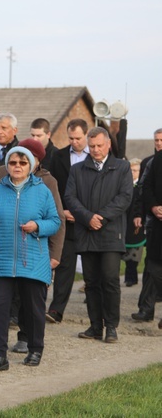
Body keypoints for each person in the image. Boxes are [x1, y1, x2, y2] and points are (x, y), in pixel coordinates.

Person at [0, 146, 61, 372]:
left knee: (33, 308)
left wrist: (38, 226)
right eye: (13, 162)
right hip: (1, 260)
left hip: (33, 260)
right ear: (7, 164)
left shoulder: (43, 191)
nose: (17, 167)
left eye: (22, 163)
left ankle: (35, 349)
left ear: (31, 166)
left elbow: (55, 221)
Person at [65, 126, 133, 343]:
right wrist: (87, 217)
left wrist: (100, 218)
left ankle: (111, 326)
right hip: (86, 234)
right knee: (91, 282)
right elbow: (70, 197)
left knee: (110, 280)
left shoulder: (121, 167)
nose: (95, 150)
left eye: (99, 146)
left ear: (108, 145)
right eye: (92, 146)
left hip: (111, 234)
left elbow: (124, 198)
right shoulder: (77, 170)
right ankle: (95, 326)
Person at [46, 119, 90, 324]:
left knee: (93, 269)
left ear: (86, 135)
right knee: (64, 266)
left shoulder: (97, 155)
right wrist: (61, 211)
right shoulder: (58, 156)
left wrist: (87, 214)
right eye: (71, 138)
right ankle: (56, 309)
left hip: (91, 222)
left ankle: (96, 311)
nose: (74, 142)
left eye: (78, 138)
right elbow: (53, 187)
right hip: (67, 221)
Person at [142, 148, 162, 329]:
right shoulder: (158, 159)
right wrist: (154, 207)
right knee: (154, 267)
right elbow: (146, 186)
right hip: (159, 226)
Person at [123, 159, 145, 287]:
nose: (133, 173)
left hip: (137, 224)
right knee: (126, 252)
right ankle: (128, 277)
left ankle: (132, 277)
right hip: (126, 222)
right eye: (130, 170)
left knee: (135, 252)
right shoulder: (125, 187)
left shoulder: (141, 187)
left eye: (135, 170)